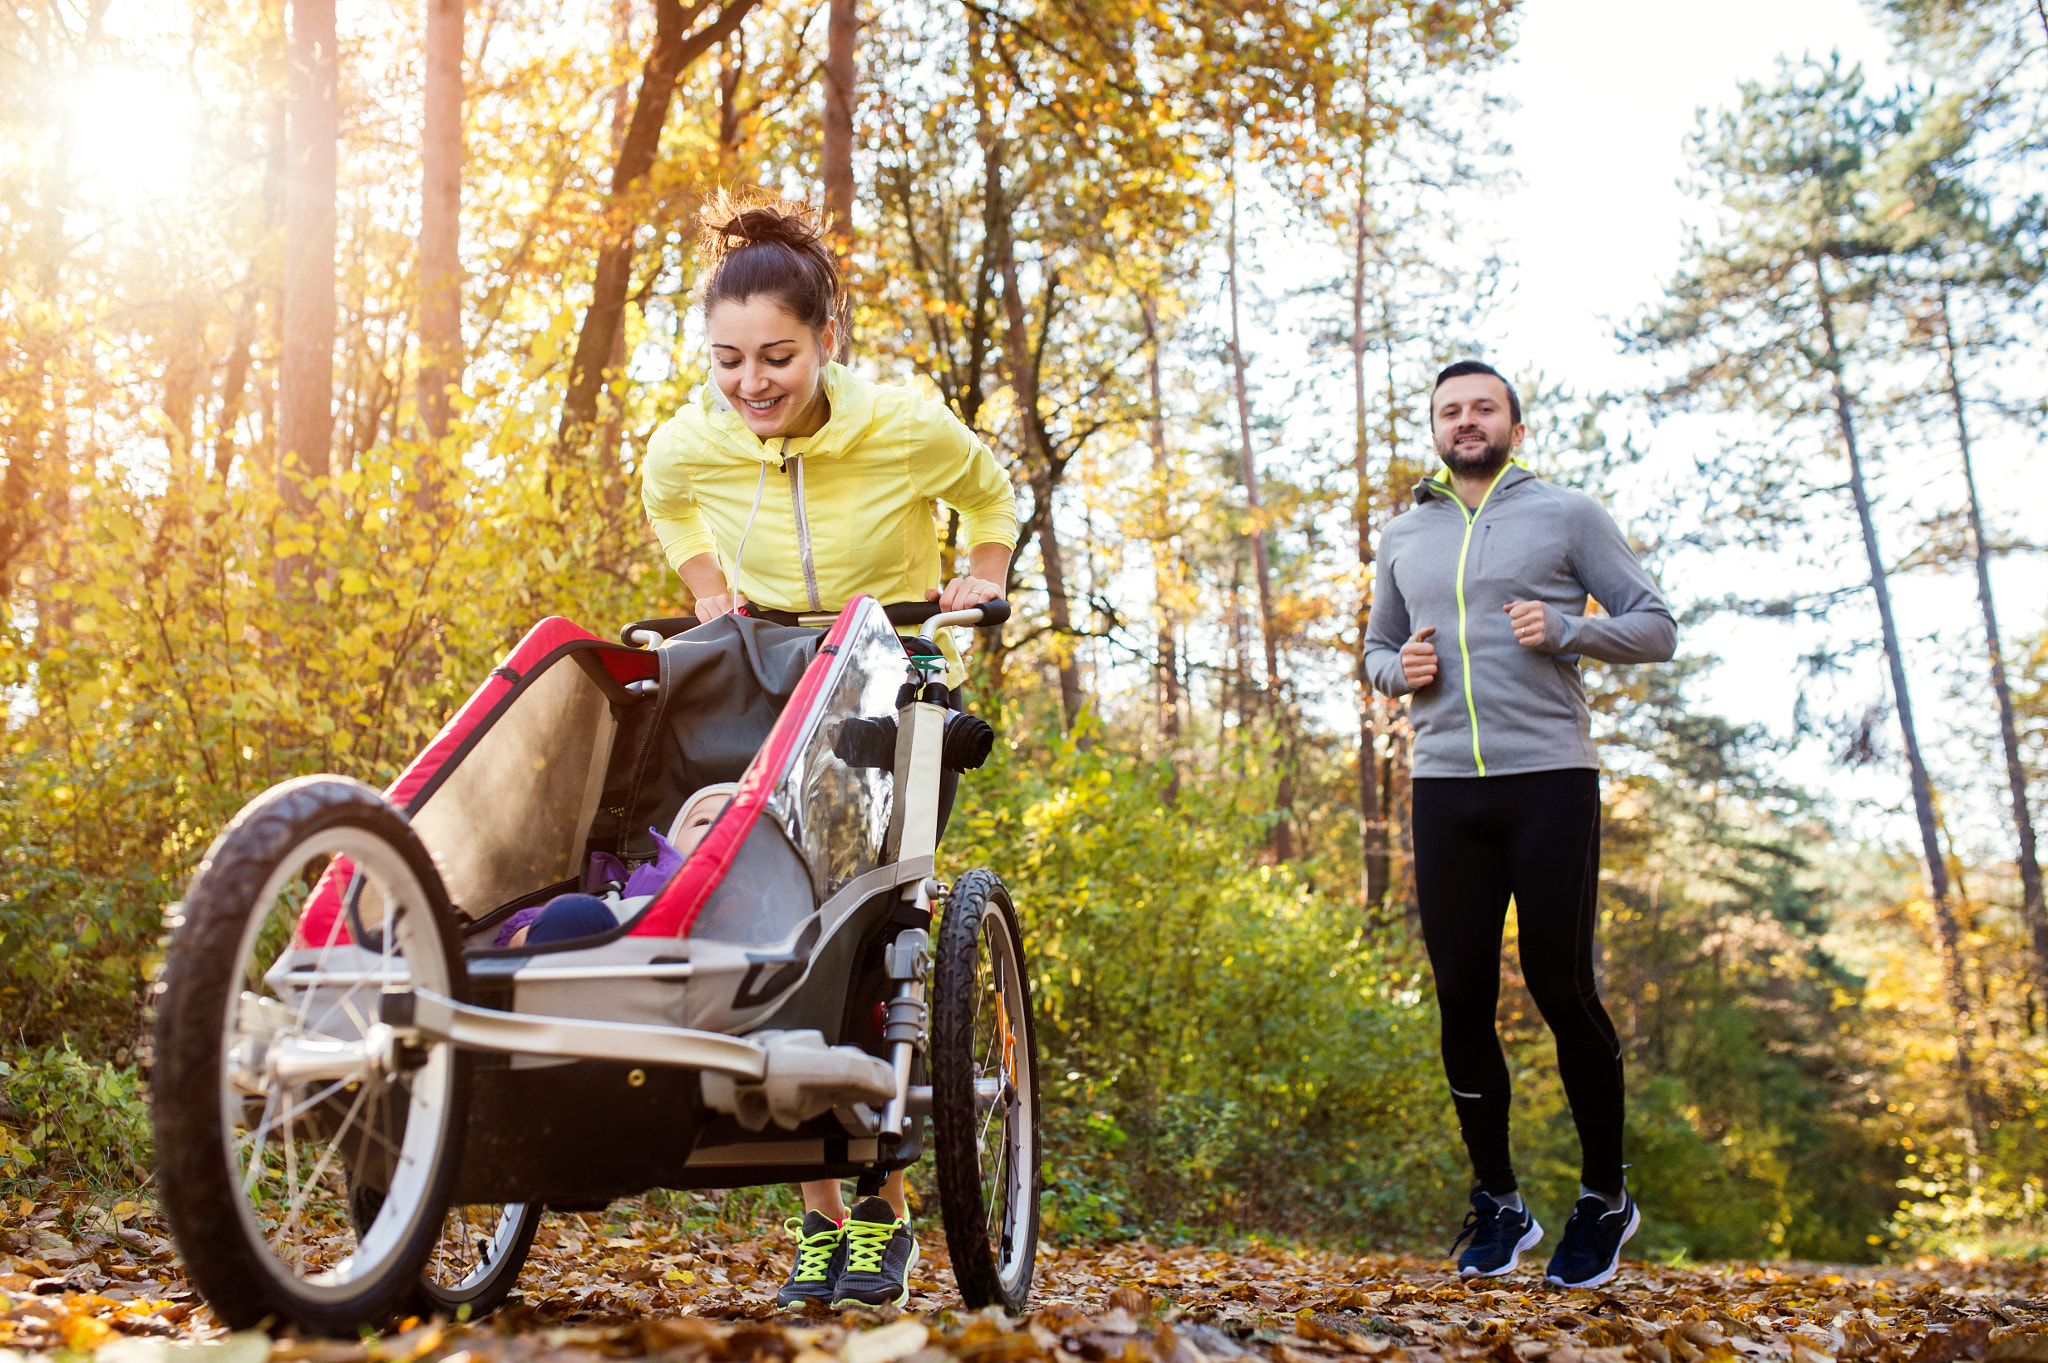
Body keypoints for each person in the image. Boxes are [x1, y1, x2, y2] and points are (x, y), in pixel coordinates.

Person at [639, 189, 1017, 1310]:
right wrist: (712, 598)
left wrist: (983, 573)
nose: (751, 382)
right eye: (728, 360)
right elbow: (669, 504)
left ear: (825, 343)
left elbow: (989, 492)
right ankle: (819, 1224)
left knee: (856, 927)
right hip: (762, 679)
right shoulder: (688, 441)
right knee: (763, 919)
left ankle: (881, 1212)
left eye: (778, 357)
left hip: (886, 674)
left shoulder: (902, 423)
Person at [1362, 360, 1676, 1289]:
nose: (1467, 421)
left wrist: (1569, 630)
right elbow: (1379, 647)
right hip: (1445, 784)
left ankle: (1604, 1196)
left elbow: (1656, 625)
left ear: (1515, 426)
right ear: (1435, 429)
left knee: (1559, 983)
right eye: (1450, 411)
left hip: (1550, 780)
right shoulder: (1403, 534)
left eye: (1483, 408)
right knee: (1459, 992)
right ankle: (1499, 1200)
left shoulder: (1568, 515)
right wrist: (1396, 671)